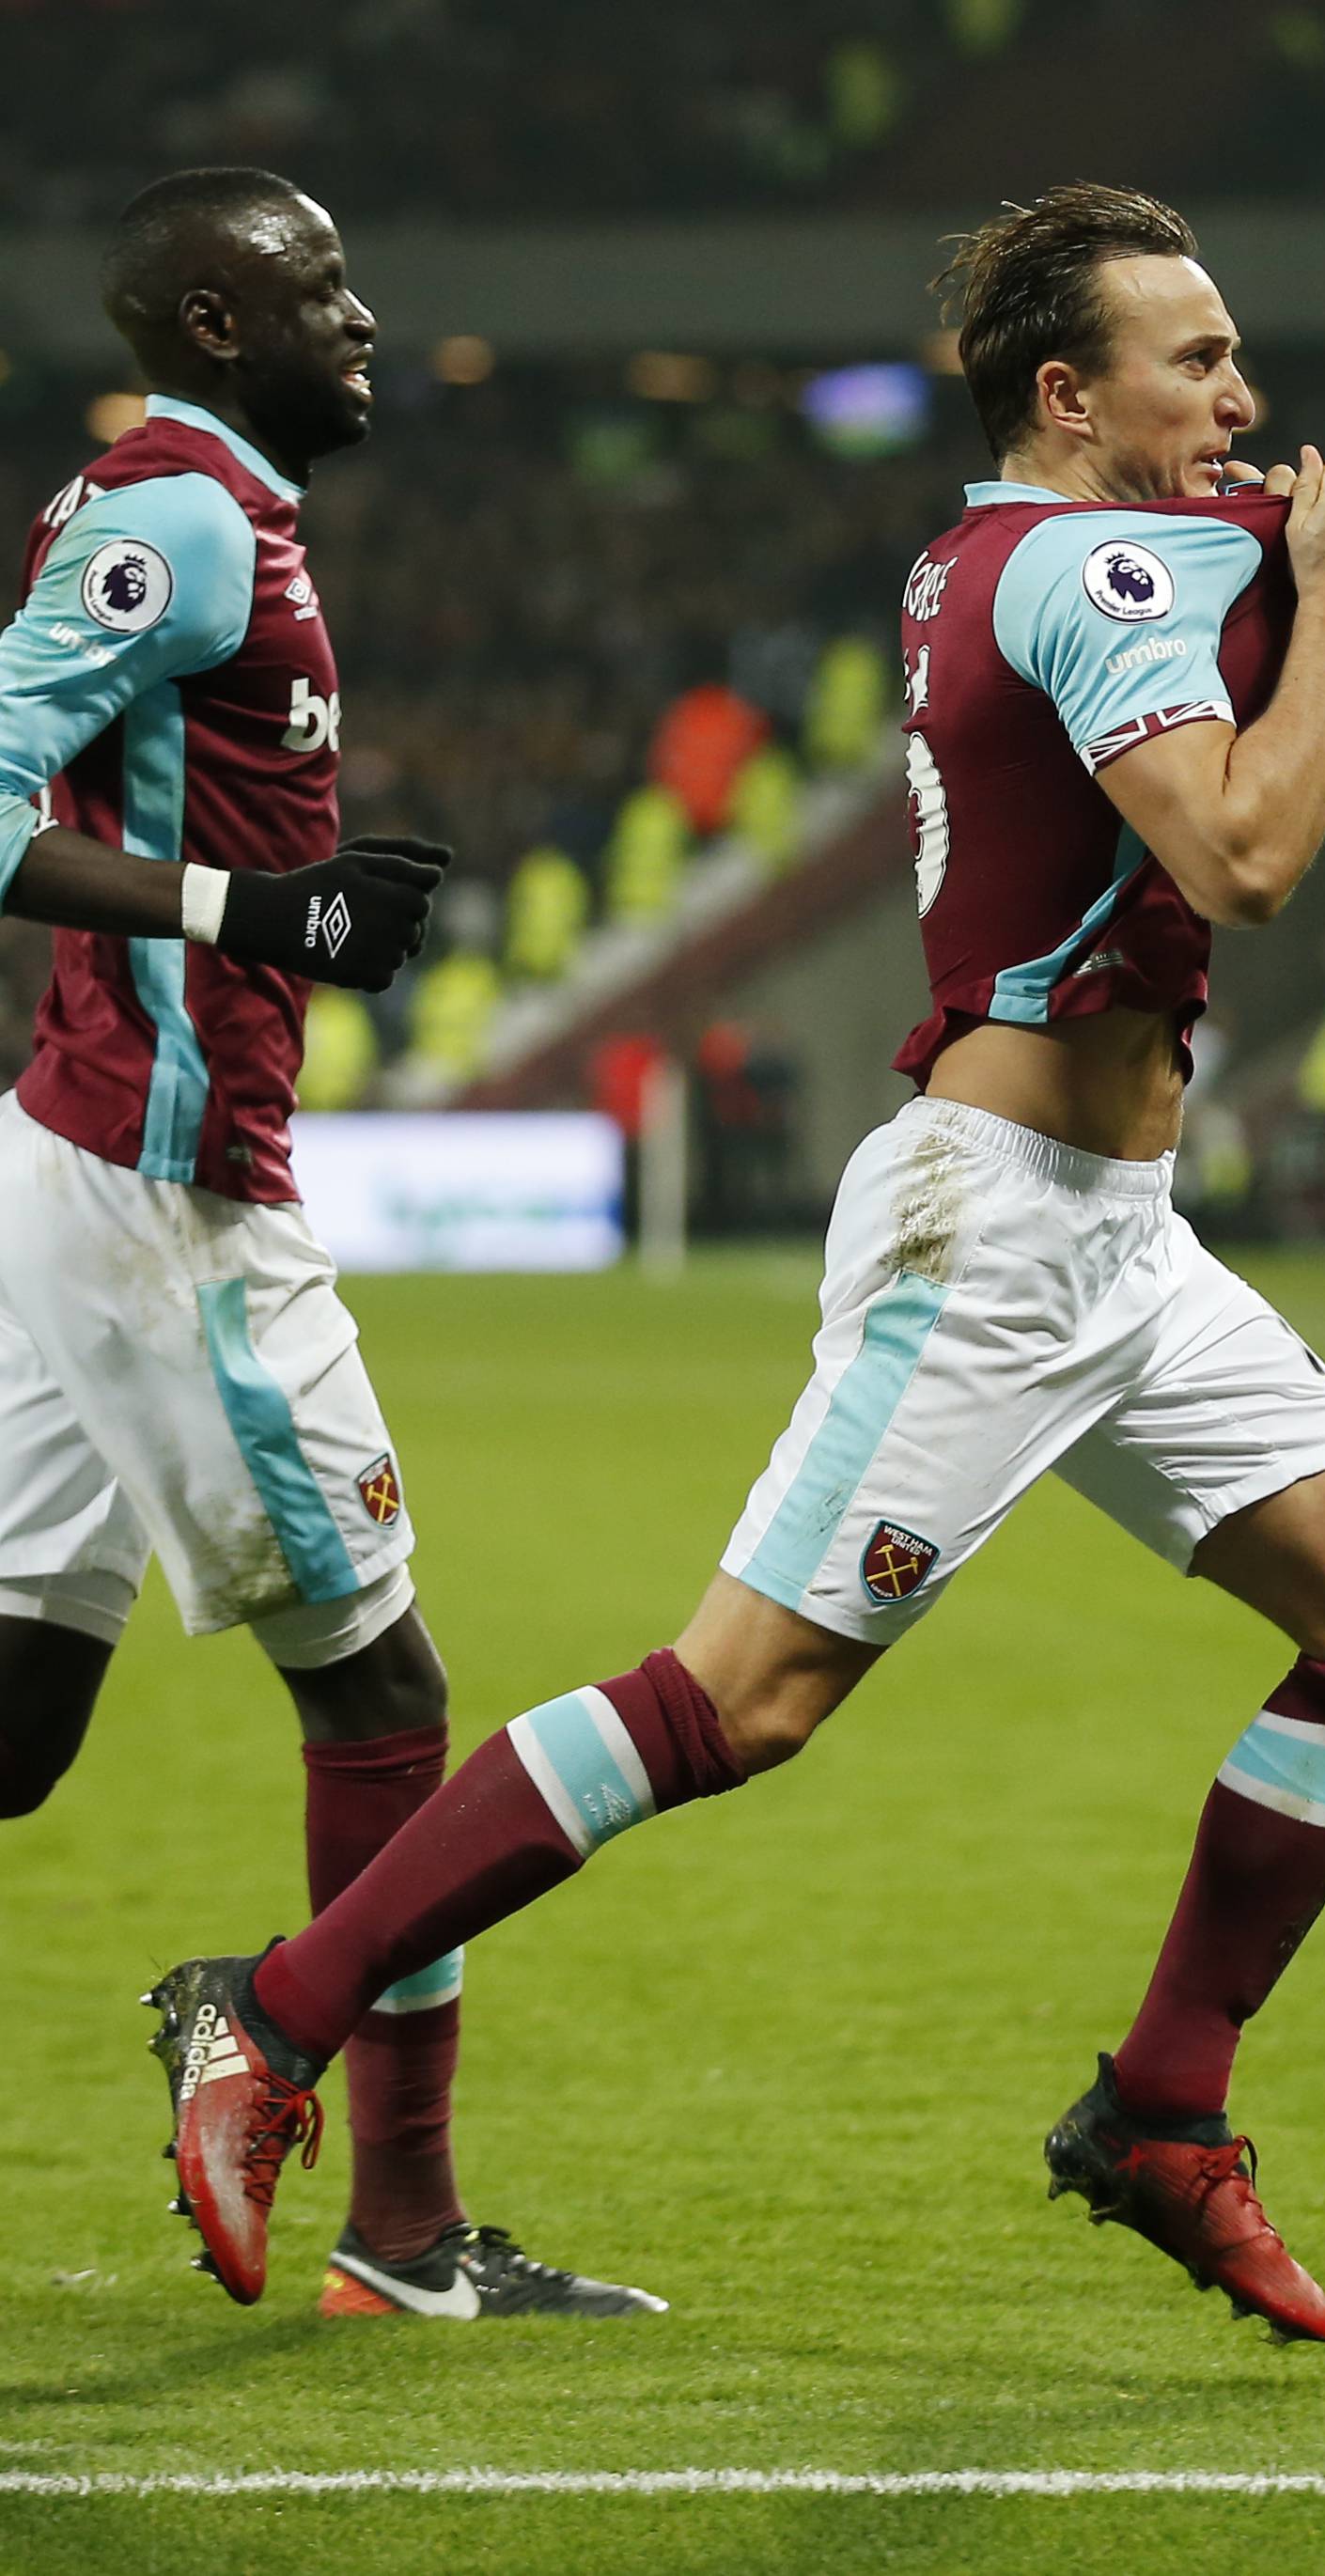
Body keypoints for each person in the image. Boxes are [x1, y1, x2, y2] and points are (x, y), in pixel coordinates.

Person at [147, 183, 1325, 2345]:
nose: (1240, 397)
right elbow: (1247, 850)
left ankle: (1162, 2102)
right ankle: (269, 2010)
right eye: (1193, 359)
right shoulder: (1095, 556)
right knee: (734, 1699)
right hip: (994, 1230)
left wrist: (1282, 562)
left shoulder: (1001, 549)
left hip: (1127, 1245)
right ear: (1070, 395)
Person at [0, 167, 658, 2323]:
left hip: (74, 1162)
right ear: (211, 320)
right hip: (168, 1194)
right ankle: (398, 2214)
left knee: (15, 1721)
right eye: (318, 290)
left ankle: (398, 2212)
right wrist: (253, 913)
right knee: (383, 1688)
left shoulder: (236, 516)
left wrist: (267, 902)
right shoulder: (172, 509)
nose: (365, 319)